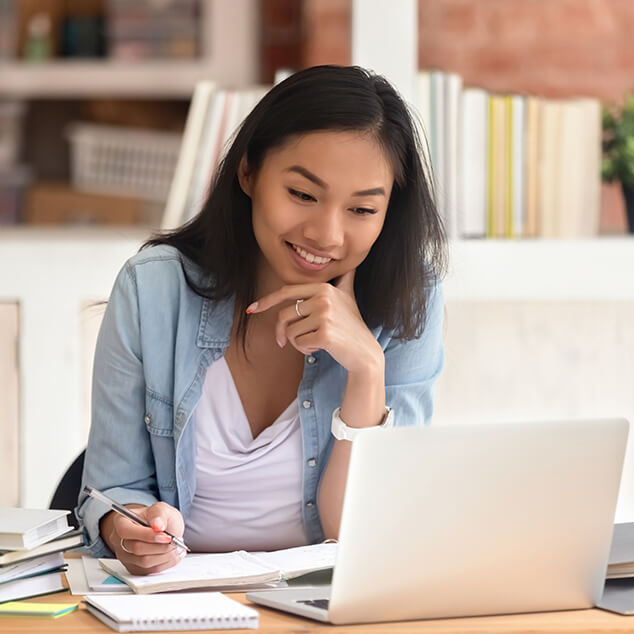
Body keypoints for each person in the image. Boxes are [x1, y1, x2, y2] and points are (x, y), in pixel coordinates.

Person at [76, 65, 447, 576]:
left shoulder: (411, 301)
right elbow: (111, 489)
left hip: (321, 604)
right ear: (248, 173)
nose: (327, 235)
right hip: (179, 604)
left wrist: (367, 370)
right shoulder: (153, 290)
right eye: (302, 195)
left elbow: (363, 535)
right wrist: (132, 530)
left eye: (362, 210)